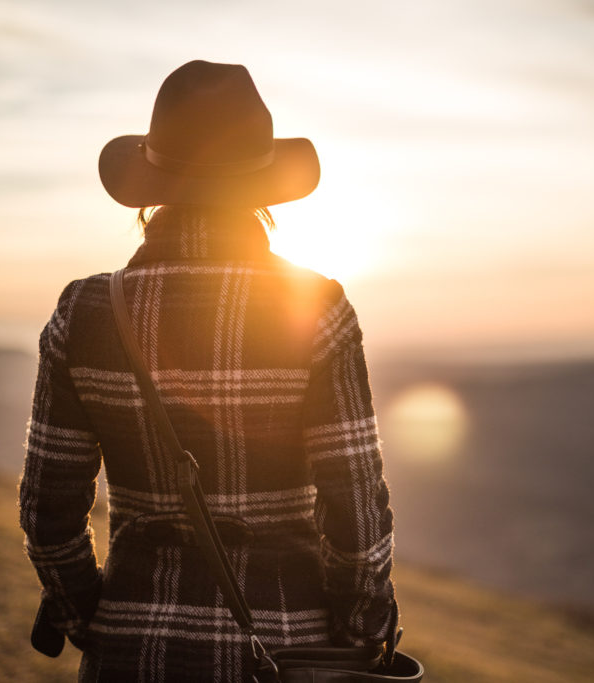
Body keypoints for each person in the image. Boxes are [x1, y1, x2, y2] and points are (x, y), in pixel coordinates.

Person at [19, 60, 396, 681]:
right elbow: (356, 509)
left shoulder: (83, 311)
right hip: (283, 650)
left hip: (129, 654)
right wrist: (360, 628)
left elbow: (47, 515)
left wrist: (89, 617)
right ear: (262, 188)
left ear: (152, 183)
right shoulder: (317, 309)